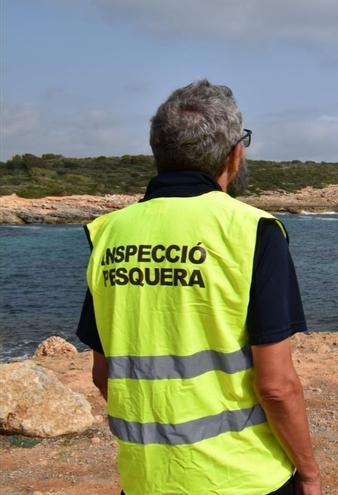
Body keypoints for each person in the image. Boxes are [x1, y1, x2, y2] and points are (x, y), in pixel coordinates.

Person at [76, 80, 322, 495]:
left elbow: (104, 374)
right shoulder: (252, 231)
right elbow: (277, 386)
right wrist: (310, 473)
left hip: (147, 481)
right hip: (244, 479)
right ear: (234, 153)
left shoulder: (107, 233)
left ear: (159, 152)